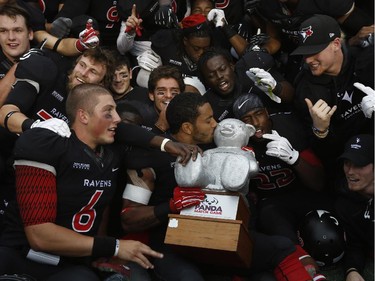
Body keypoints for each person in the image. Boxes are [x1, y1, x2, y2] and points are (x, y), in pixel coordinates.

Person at [0, 83, 163, 280]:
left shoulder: (109, 153)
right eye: (108, 112)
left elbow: (129, 134)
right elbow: (39, 235)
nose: (118, 118)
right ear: (83, 116)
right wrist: (115, 246)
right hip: (19, 255)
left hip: (70, 263)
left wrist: (167, 144)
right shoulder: (47, 143)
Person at [232, 93, 333, 281]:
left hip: (302, 194)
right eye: (246, 119)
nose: (255, 122)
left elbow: (319, 183)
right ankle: (308, 272)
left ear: (267, 113)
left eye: (258, 114)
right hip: (271, 204)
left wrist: (294, 159)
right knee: (271, 217)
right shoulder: (237, 143)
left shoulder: (288, 126)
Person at [291, 14, 374, 183]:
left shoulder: (367, 59)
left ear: (336, 44)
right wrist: (321, 131)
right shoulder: (306, 91)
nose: (308, 60)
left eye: (314, 52)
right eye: (304, 54)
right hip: (351, 164)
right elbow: (327, 156)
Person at [197, 47, 294, 123]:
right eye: (211, 76)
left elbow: (291, 96)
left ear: (231, 66)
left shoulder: (252, 71)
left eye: (222, 69)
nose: (219, 76)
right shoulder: (209, 105)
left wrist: (276, 88)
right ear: (205, 81)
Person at [334, 134, 374, 281]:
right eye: (347, 163)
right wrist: (352, 270)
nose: (350, 171)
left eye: (359, 164)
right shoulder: (344, 204)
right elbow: (355, 244)